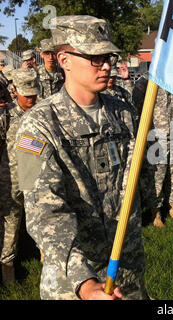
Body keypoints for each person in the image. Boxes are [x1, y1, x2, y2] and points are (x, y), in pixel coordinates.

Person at [15, 15, 148, 300]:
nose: (106, 65)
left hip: (127, 268)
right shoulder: (36, 126)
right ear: (64, 59)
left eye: (108, 57)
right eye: (94, 57)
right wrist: (85, 284)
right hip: (73, 281)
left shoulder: (123, 113)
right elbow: (43, 213)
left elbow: (136, 181)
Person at [0, 69, 39, 285]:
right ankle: (8, 272)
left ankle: (43, 257)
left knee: (37, 219)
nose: (31, 99)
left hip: (35, 178)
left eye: (34, 94)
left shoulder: (40, 114)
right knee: (11, 225)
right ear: (15, 92)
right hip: (11, 182)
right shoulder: (6, 115)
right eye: (27, 96)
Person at [141, 88, 173, 227]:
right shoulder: (147, 84)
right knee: (157, 177)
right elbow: (139, 109)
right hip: (157, 140)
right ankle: (156, 213)